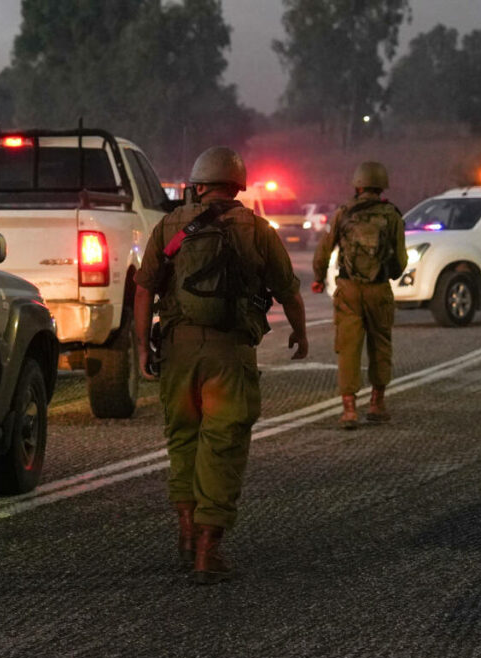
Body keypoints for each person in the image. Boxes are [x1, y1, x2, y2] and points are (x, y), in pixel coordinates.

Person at [134, 146, 308, 585]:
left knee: (183, 439)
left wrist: (141, 348)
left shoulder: (171, 227)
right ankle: (208, 553)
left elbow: (143, 289)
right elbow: (288, 289)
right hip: (230, 355)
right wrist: (300, 332)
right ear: (238, 186)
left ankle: (186, 534)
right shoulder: (257, 229)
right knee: (223, 444)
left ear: (196, 185)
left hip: (178, 351)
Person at [311, 161, 407, 429]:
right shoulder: (392, 216)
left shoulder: (343, 213)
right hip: (379, 290)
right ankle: (377, 404)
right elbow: (400, 261)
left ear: (358, 185)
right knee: (381, 345)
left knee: (348, 348)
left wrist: (319, 279)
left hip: (349, 290)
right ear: (381, 186)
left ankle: (349, 410)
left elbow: (324, 250)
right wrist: (388, 272)